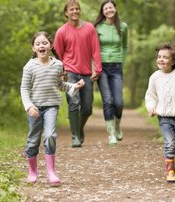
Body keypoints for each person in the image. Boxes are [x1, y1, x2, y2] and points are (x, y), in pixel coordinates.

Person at [20, 31, 85, 186]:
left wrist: (74, 86)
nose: (41, 46)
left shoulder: (57, 64)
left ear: (50, 45)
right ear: (33, 48)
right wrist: (29, 107)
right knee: (33, 140)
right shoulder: (29, 67)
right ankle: (33, 172)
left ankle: (51, 173)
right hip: (34, 108)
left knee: (50, 136)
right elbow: (24, 89)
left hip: (51, 106)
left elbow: (60, 85)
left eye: (44, 43)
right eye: (38, 44)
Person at [54, 0, 102, 147]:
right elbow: (57, 55)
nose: (75, 11)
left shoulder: (89, 28)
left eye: (77, 9)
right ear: (66, 13)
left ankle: (79, 129)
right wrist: (60, 73)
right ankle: (75, 136)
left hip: (87, 73)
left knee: (87, 107)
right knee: (74, 103)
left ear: (79, 11)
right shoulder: (61, 31)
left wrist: (97, 69)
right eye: (71, 9)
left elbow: (95, 49)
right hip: (70, 73)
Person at [145, 43, 175, 183]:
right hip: (164, 117)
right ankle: (171, 171)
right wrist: (151, 107)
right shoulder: (154, 77)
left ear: (173, 61)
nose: (161, 59)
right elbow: (150, 95)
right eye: (159, 57)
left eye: (165, 57)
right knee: (169, 143)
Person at [94, 0, 128, 145]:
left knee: (118, 103)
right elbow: (93, 49)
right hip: (101, 67)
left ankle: (117, 125)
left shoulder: (123, 26)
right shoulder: (97, 27)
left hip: (116, 66)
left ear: (115, 8)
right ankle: (111, 133)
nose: (108, 10)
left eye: (111, 7)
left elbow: (125, 46)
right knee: (107, 101)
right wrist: (94, 67)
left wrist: (122, 61)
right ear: (103, 12)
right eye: (105, 8)